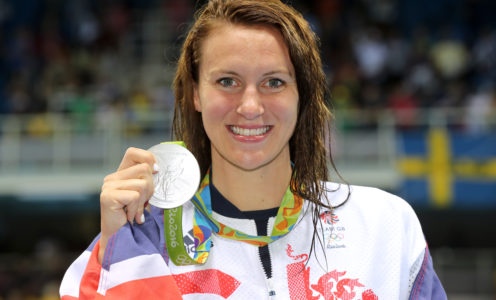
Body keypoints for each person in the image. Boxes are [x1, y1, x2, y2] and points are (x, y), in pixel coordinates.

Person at [60, 0, 447, 299]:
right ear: (196, 93)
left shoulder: (384, 226)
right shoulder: (145, 236)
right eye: (227, 81)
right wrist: (115, 255)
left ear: (302, 95)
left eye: (274, 82)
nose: (250, 106)